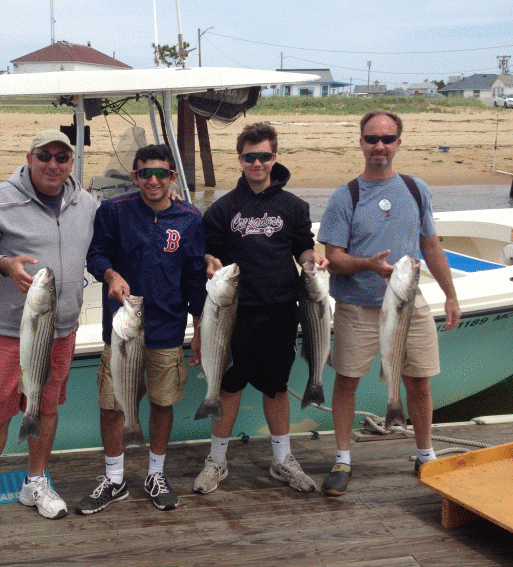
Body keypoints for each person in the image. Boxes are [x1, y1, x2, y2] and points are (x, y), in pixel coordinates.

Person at [0, 130, 97, 537]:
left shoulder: (85, 203)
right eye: (44, 155)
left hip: (62, 327)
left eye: (62, 157)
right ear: (29, 158)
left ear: (72, 162)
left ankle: (35, 482)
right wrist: (3, 264)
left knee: (46, 406)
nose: (53, 164)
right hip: (7, 330)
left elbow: (105, 239)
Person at [317, 109, 461, 497]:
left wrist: (450, 294)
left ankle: (425, 454)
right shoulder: (344, 196)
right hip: (356, 307)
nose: (378, 146)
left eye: (387, 139)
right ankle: (343, 458)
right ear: (360, 142)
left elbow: (431, 244)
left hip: (409, 304)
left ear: (399, 142)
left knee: (419, 380)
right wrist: (368, 265)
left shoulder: (416, 189)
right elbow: (334, 257)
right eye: (371, 139)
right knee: (346, 380)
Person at [192, 122, 328, 496]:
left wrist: (311, 256)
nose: (257, 163)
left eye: (264, 156)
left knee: (277, 388)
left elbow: (303, 246)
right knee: (228, 386)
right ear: (240, 159)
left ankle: (282, 459)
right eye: (250, 157)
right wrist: (207, 260)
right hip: (233, 315)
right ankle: (216, 461)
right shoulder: (222, 209)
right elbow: (209, 251)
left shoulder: (294, 207)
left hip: (282, 311)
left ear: (274, 157)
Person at [76, 144, 206, 513]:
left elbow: (196, 278)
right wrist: (111, 274)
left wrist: (199, 329)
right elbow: (96, 256)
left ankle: (155, 473)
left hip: (167, 327)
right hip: (122, 328)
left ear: (172, 177)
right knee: (112, 404)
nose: (153, 180)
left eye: (161, 173)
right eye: (145, 173)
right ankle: (114, 478)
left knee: (163, 403)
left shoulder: (190, 218)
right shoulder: (113, 212)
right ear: (134, 177)